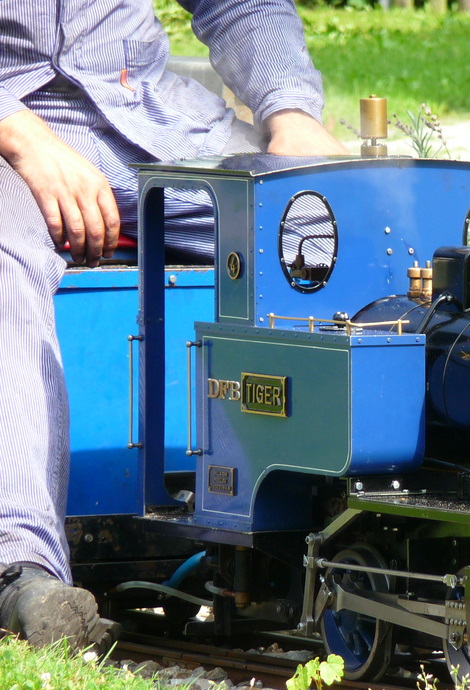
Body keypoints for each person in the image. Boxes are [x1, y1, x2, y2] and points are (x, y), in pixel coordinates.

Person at [0, 0, 348, 650]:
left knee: (333, 227)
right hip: (10, 133)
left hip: (154, 123)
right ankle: (20, 573)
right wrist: (15, 128)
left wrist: (290, 110)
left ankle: (346, 539)